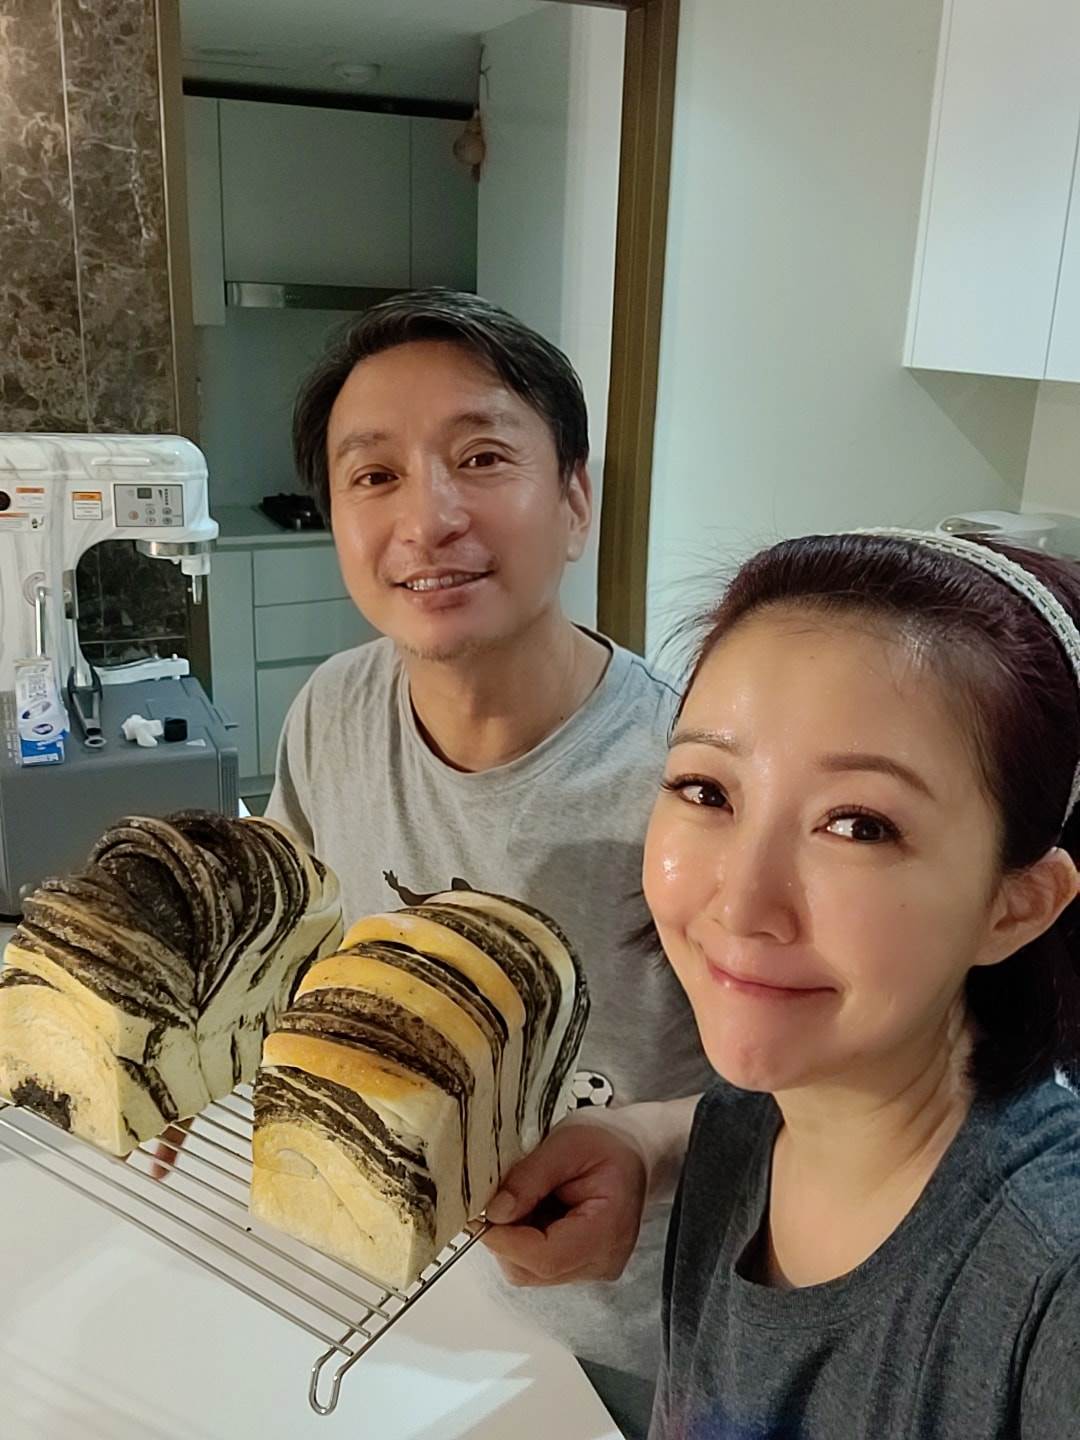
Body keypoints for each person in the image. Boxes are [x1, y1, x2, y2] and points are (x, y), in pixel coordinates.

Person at [488, 528, 1080, 1437]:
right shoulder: (757, 1126)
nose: (742, 904)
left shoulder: (1049, 1286)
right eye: (707, 791)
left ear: (1015, 906)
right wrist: (641, 1139)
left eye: (860, 825)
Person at [262, 288, 712, 1436]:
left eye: (481, 458)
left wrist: (649, 1149)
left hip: (629, 1343)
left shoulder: (693, 779)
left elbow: (831, 1101)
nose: (428, 519)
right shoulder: (333, 711)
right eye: (375, 475)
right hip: (395, 1292)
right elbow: (292, 953)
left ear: (575, 501)